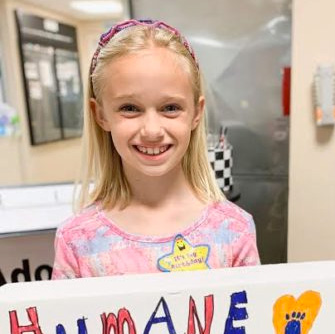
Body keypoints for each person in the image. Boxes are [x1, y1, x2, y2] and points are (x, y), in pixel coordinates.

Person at [52, 19, 259, 279]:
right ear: (100, 115)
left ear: (196, 113)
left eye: (170, 108)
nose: (152, 130)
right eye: (130, 108)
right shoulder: (77, 241)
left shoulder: (234, 231)